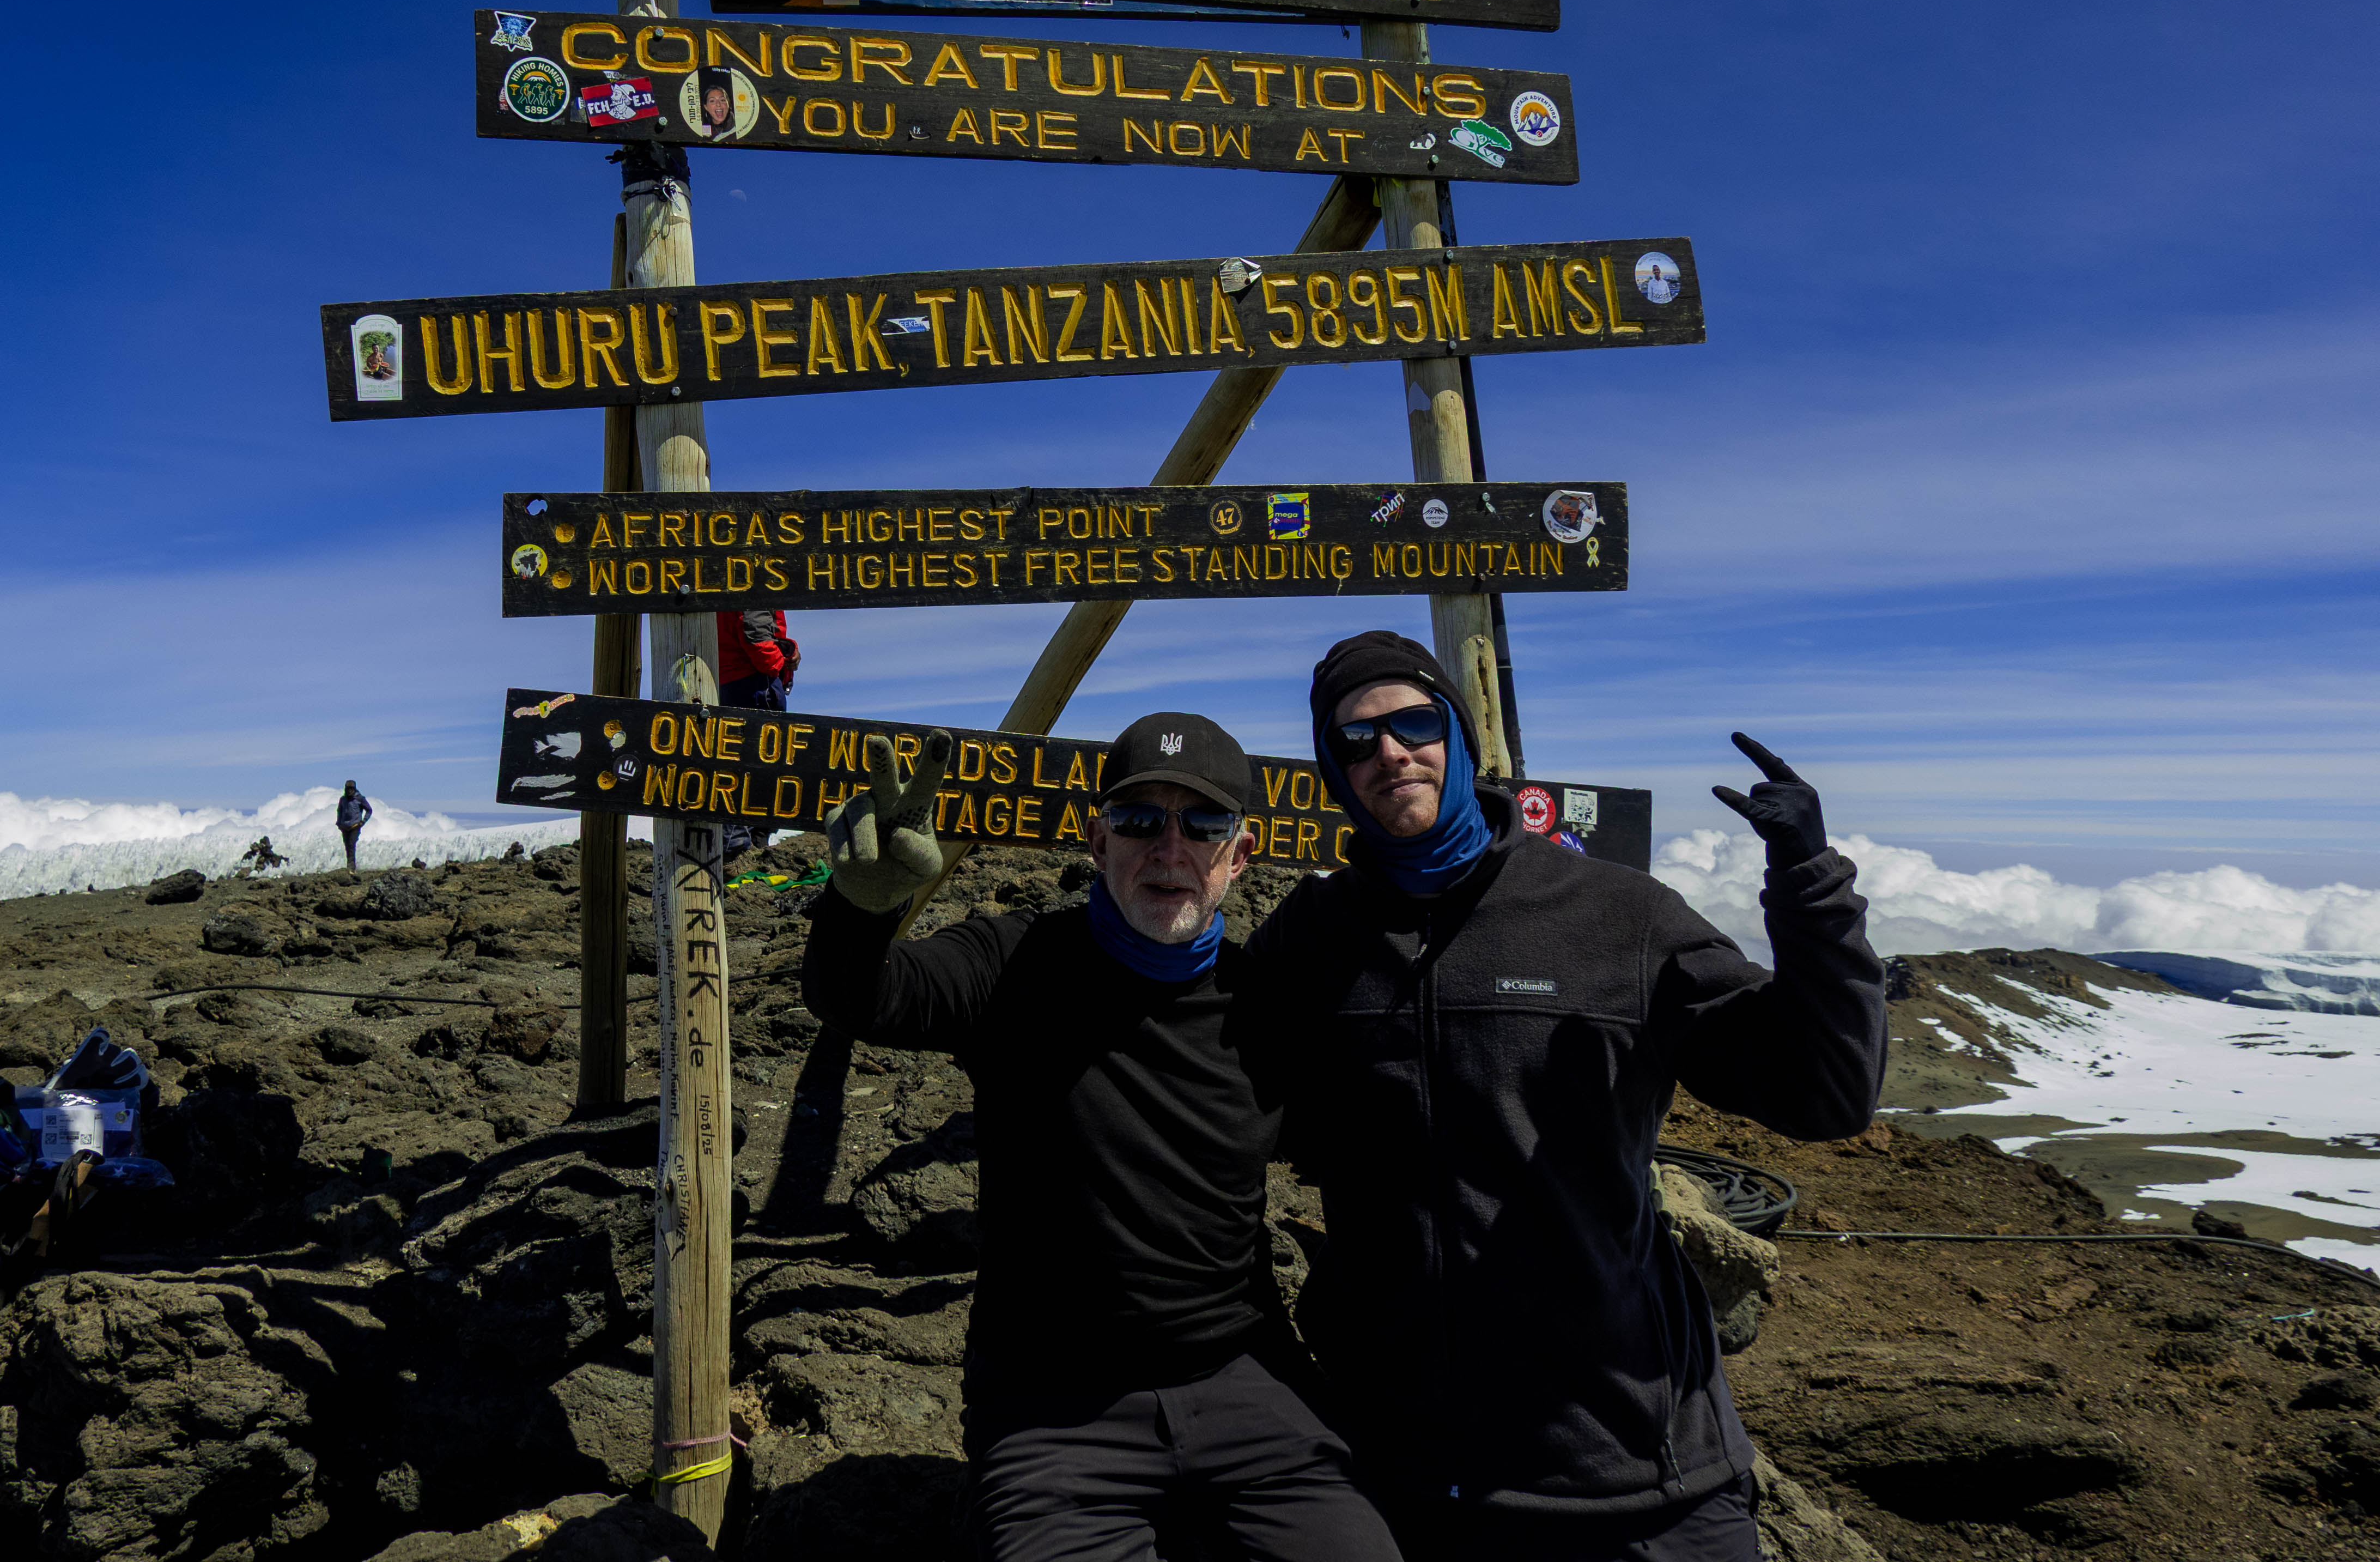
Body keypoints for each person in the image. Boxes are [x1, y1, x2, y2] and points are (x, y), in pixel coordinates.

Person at [1245, 632, 1886, 1562]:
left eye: (1413, 722)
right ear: (1334, 770)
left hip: (1640, 1476)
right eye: (1353, 740)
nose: (1388, 752)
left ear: (1459, 738)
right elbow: (1212, 1087)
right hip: (1413, 1482)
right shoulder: (1308, 939)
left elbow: (1824, 1091)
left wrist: (1811, 889)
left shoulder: (1618, 916)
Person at [807, 715, 1398, 1562]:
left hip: (1249, 1386)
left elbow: (1384, 1146)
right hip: (1052, 1410)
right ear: (1096, 840)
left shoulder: (1269, 1009)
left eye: (1201, 824)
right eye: (1137, 820)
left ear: (1241, 853)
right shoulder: (1012, 963)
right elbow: (865, 997)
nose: (1168, 848)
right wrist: (861, 908)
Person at [715, 610, 798, 856]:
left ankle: (741, 842)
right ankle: (744, 844)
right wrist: (781, 662)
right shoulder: (755, 576)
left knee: (735, 759)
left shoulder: (720, 580)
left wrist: (784, 649)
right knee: (763, 761)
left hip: (729, 678)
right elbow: (756, 632)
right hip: (754, 680)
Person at [336, 779, 371, 872]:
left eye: (351, 789)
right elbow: (339, 811)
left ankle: (351, 868)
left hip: (355, 826)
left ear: (355, 789)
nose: (349, 791)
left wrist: (363, 821)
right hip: (344, 827)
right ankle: (350, 866)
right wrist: (339, 822)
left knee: (351, 845)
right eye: (348, 789)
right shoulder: (343, 799)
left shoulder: (360, 799)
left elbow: (369, 810)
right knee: (347, 846)